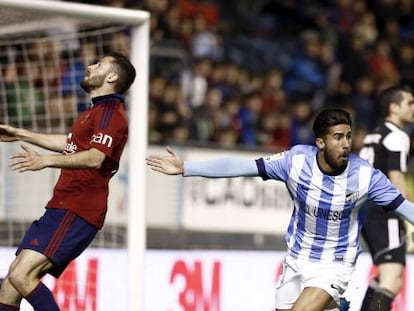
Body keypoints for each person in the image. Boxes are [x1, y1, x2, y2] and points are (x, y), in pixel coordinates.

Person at [146, 108, 414, 311]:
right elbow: (240, 167)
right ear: (320, 142)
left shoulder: (366, 176)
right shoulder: (295, 161)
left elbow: (405, 208)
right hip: (297, 260)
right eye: (337, 137)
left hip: (335, 264)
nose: (345, 144)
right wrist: (187, 168)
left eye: (348, 136)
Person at [0, 52, 136, 311]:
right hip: (61, 206)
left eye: (98, 64)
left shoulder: (111, 113)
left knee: (20, 276)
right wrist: (21, 133)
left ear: (112, 76)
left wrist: (46, 161)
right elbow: (69, 143)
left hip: (78, 209)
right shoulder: (93, 113)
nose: (89, 66)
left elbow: (95, 157)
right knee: (11, 282)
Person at [358, 85, 414, 310]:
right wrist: (409, 218)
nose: (413, 108)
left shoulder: (375, 134)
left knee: (384, 278)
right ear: (394, 107)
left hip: (365, 211)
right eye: (409, 103)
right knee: (392, 280)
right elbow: (396, 180)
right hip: (384, 213)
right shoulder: (397, 136)